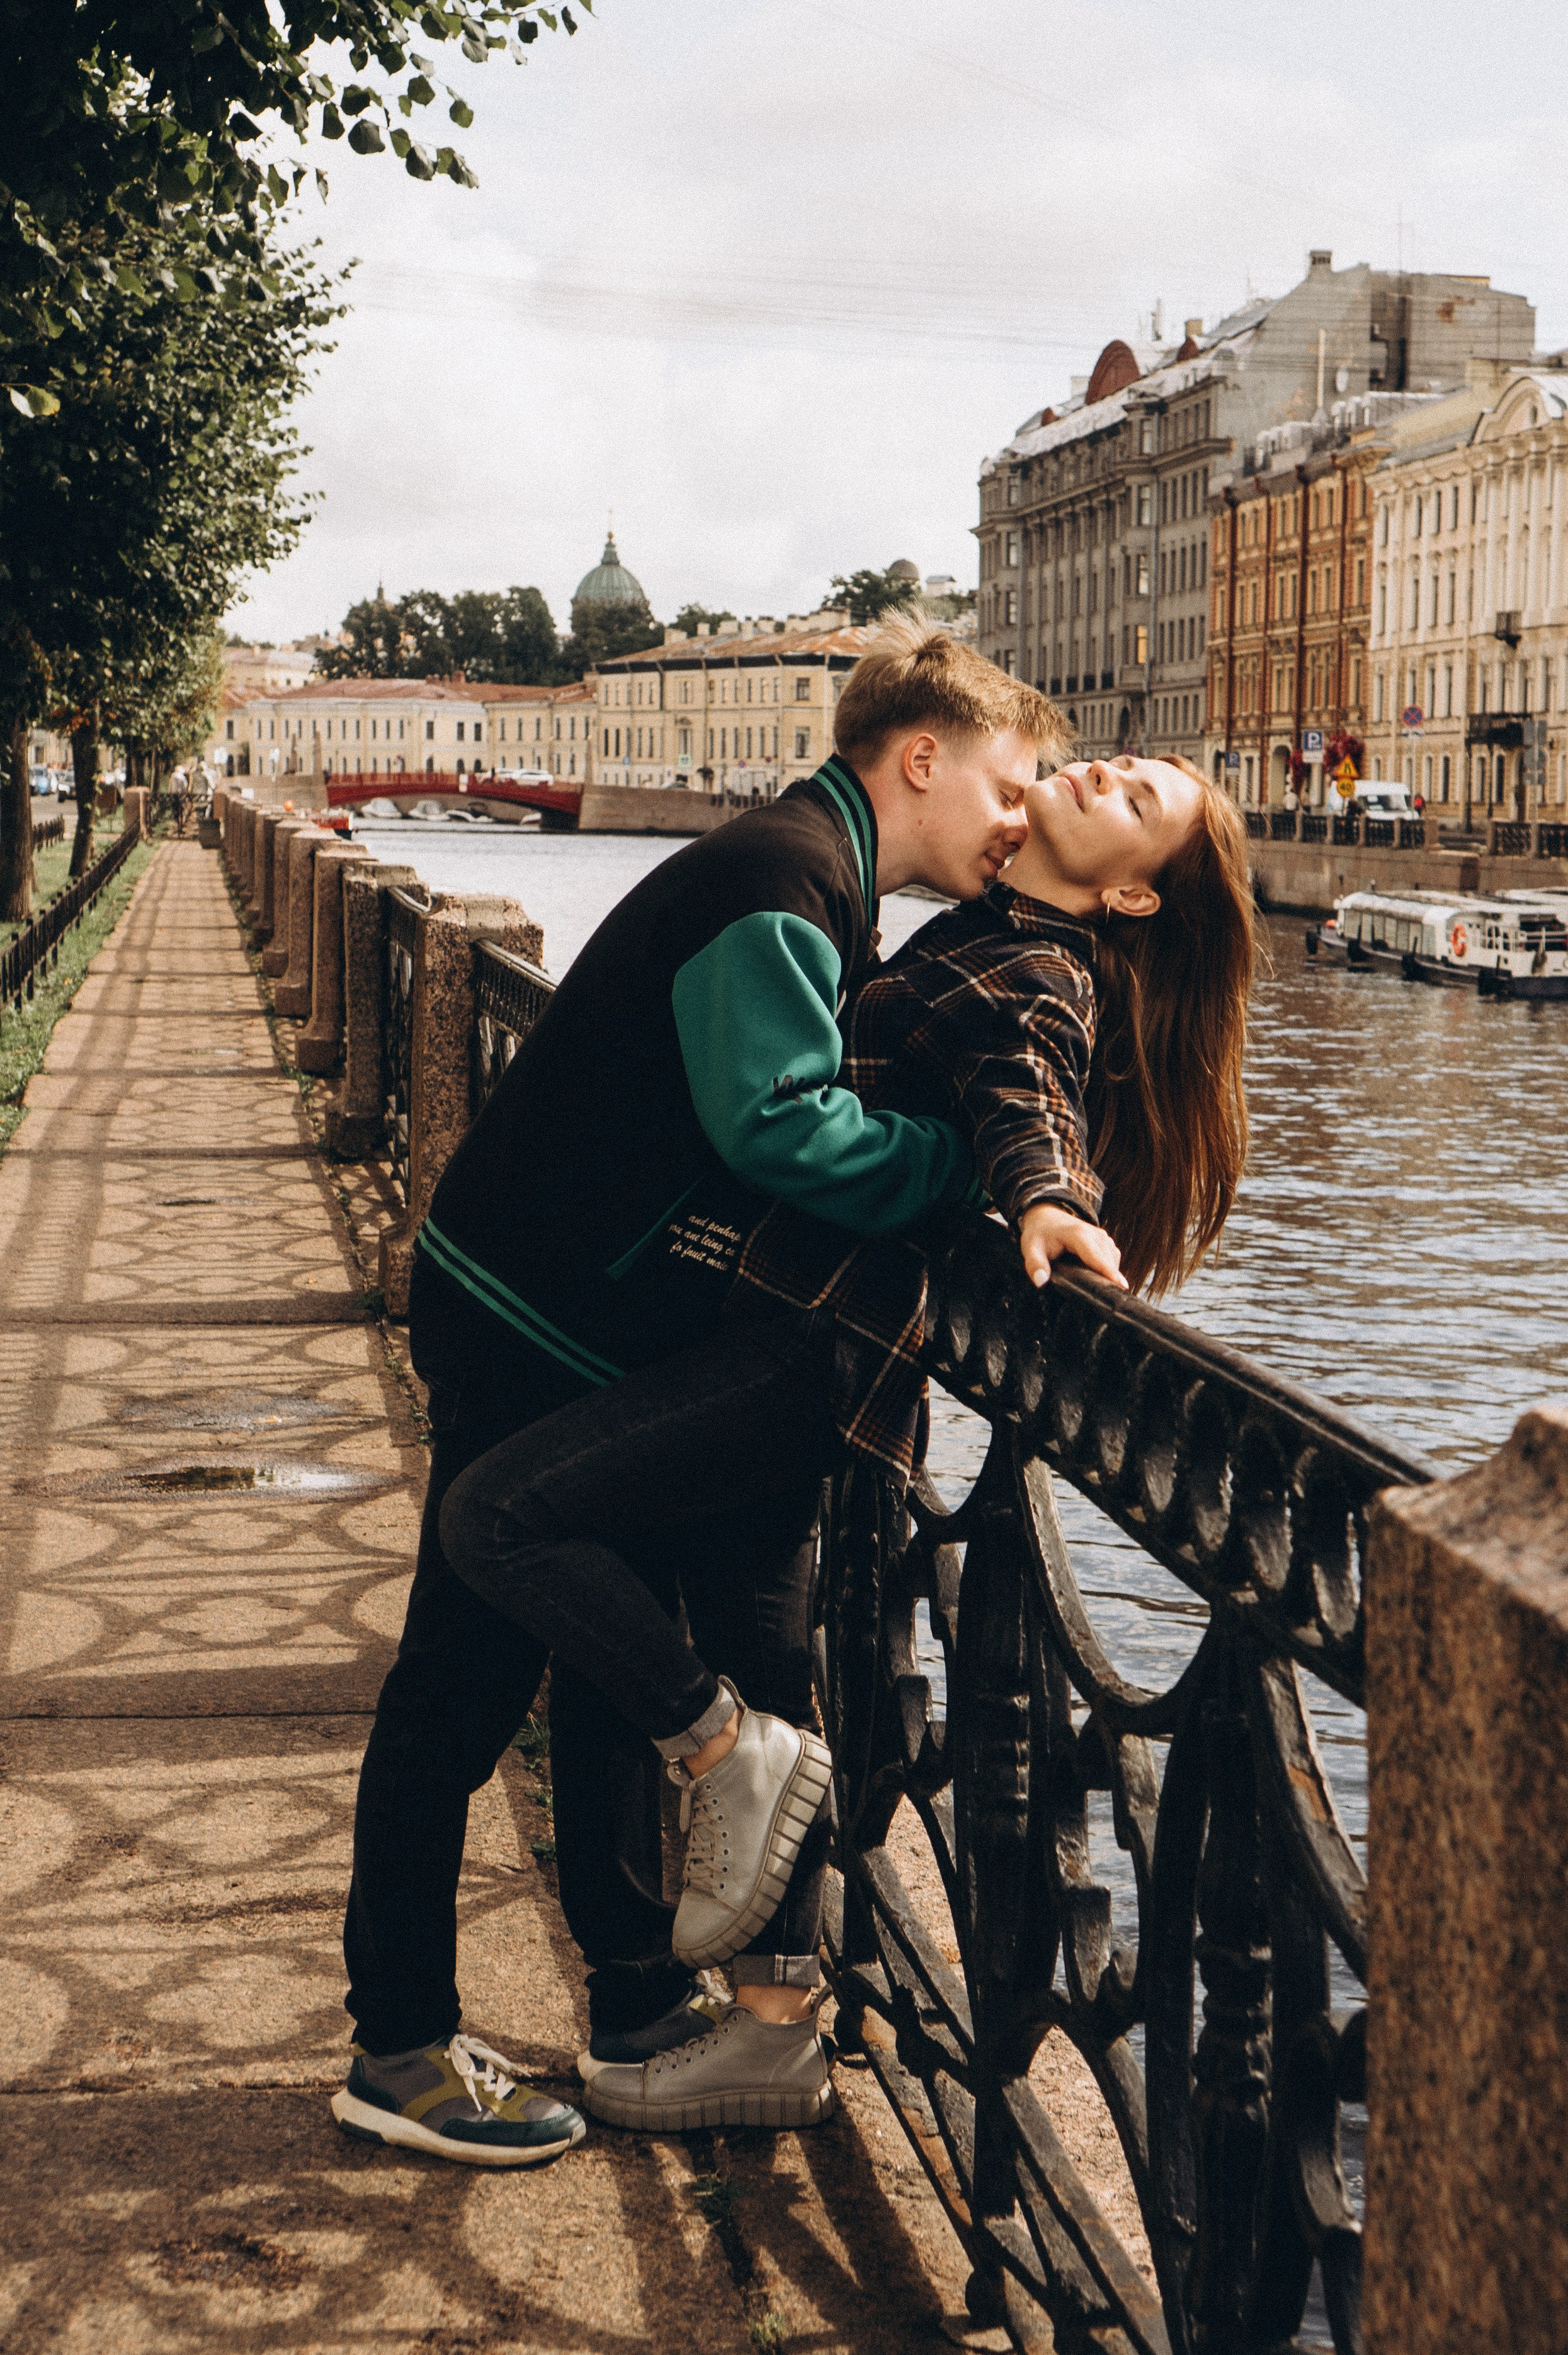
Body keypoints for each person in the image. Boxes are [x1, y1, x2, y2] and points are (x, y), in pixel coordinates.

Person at [438, 744, 1256, 2137]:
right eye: (1116, 763)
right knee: (764, 1664)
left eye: (1136, 801)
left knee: (503, 1521)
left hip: (798, 1353)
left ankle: (713, 1765)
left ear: (1129, 899)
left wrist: (1046, 1198)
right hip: (768, 1337)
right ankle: (759, 2028)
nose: (1102, 772)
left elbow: (1026, 1088)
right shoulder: (986, 925)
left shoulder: (1039, 970)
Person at [333, 618, 1064, 2165]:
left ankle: (635, 2004)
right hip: (525, 1308)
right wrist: (953, 1179)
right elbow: (778, 1130)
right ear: (920, 758)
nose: (1020, 816)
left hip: (569, 1310)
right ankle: (395, 2047)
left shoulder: (807, 869)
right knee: (456, 1693)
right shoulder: (781, 879)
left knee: (587, 1672)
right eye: (1008, 783)